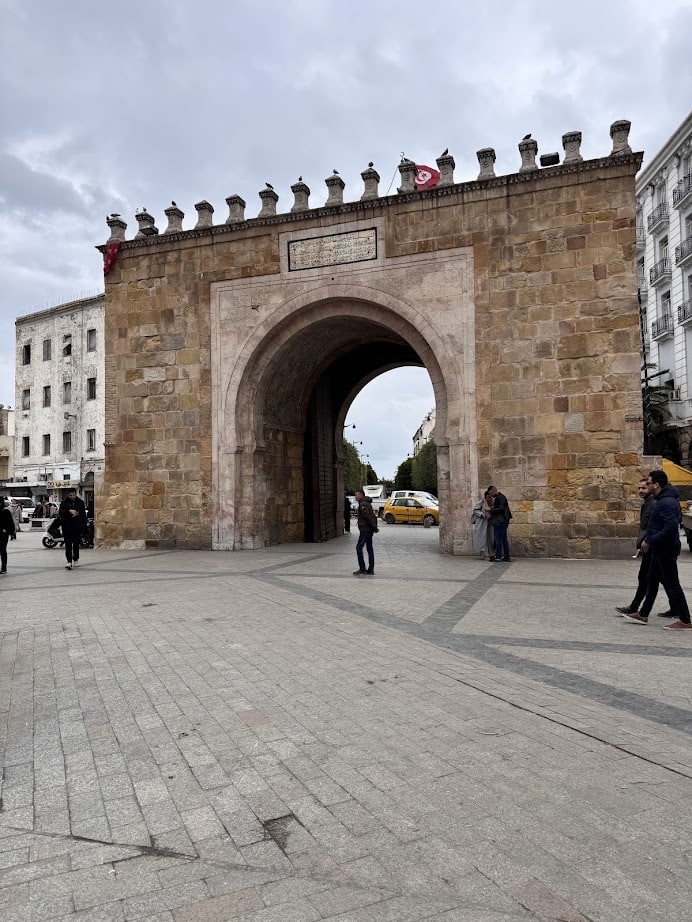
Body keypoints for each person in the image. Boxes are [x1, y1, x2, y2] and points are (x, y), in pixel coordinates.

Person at [621, 470, 691, 630]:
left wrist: (649, 541)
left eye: (650, 483)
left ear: (657, 485)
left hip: (666, 549)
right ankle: (643, 614)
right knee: (651, 579)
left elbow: (671, 527)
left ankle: (685, 620)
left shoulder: (666, 502)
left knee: (673, 584)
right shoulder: (662, 500)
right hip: (659, 549)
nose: (648, 485)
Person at [615, 478, 669, 616]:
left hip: (652, 546)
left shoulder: (654, 503)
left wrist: (646, 543)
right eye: (639, 488)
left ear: (652, 487)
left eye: (644, 488)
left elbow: (652, 527)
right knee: (662, 578)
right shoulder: (649, 503)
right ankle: (676, 608)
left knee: (648, 578)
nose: (640, 491)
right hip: (649, 545)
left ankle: (636, 608)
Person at [58, 488, 87, 570]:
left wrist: (77, 515)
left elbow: (83, 516)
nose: (72, 497)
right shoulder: (64, 503)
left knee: (76, 544)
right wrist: (69, 511)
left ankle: (76, 558)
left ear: (75, 494)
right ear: (68, 495)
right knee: (68, 545)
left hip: (77, 527)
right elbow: (61, 512)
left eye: (73, 495)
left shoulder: (80, 503)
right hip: (67, 527)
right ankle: (69, 562)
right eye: (70, 495)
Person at [353, 489, 378, 575]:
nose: (355, 497)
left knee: (359, 547)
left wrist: (374, 527)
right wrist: (374, 528)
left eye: (357, 495)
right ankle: (371, 569)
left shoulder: (363, 504)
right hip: (369, 529)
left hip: (365, 530)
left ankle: (362, 568)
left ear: (361, 495)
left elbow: (368, 517)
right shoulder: (366, 503)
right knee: (369, 548)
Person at [488, 485, 512, 562]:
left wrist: (490, 510)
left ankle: (498, 556)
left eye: (491, 494)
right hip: (503, 520)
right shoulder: (500, 497)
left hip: (500, 520)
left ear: (493, 491)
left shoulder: (500, 497)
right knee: (503, 539)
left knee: (498, 538)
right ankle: (506, 556)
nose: (491, 496)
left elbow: (500, 509)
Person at [472, 488, 494, 560]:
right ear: (485, 497)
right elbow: (475, 510)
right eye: (487, 498)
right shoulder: (481, 502)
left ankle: (491, 553)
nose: (489, 499)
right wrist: (481, 514)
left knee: (490, 538)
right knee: (482, 539)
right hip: (482, 523)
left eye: (490, 497)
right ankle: (483, 554)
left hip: (490, 523)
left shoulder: (493, 503)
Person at [0, 497, 17, 574]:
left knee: (2, 550)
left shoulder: (5, 512)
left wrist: (10, 532)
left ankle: (4, 568)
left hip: (3, 534)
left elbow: (10, 523)